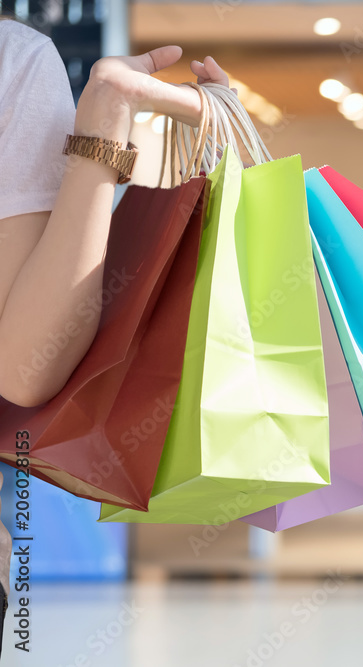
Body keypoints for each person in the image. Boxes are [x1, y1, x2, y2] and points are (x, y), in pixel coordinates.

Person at [0, 15, 230, 655]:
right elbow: (23, 368)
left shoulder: (13, 59)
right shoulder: (11, 58)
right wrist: (105, 127)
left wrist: (105, 127)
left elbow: (24, 366)